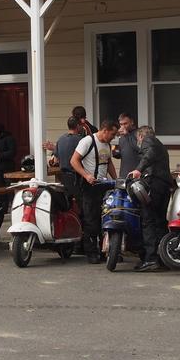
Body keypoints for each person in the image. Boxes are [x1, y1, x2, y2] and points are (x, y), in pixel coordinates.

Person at [71, 117, 118, 262]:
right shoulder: (87, 141)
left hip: (103, 186)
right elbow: (74, 160)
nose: (113, 137)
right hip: (90, 186)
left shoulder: (107, 145)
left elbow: (108, 162)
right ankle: (91, 252)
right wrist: (86, 175)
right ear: (105, 130)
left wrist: (116, 180)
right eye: (112, 134)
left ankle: (104, 251)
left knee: (104, 217)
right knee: (91, 219)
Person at [129, 125, 172, 272]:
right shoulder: (160, 145)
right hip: (164, 186)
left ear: (141, 136)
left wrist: (138, 169)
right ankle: (163, 258)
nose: (138, 143)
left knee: (148, 221)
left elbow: (149, 155)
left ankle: (150, 259)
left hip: (153, 186)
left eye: (137, 139)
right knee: (160, 222)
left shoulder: (149, 141)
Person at [52, 116, 83, 201]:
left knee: (67, 203)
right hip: (76, 177)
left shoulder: (61, 139)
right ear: (77, 126)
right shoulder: (81, 140)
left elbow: (55, 160)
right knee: (79, 204)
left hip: (63, 177)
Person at [115, 112, 141, 177]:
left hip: (136, 172)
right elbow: (123, 153)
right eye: (121, 124)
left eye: (125, 124)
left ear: (131, 122)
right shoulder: (122, 136)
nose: (123, 126)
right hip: (124, 173)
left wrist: (127, 135)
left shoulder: (139, 133)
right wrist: (115, 153)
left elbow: (139, 149)